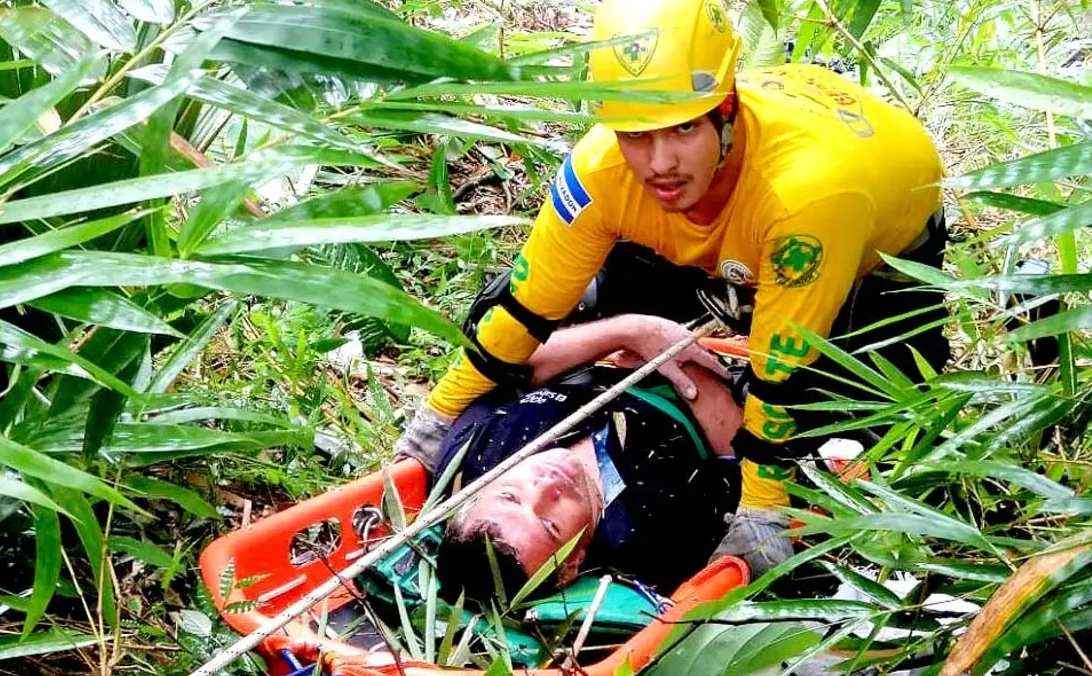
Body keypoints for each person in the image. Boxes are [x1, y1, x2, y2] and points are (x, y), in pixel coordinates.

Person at [399, 0, 946, 577]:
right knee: (500, 308)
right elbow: (521, 312)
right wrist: (434, 421)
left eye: (681, 127)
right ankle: (711, 270)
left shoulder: (809, 196)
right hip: (709, 233)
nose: (660, 163)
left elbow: (781, 374)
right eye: (636, 134)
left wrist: (763, 505)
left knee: (889, 418)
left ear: (725, 110)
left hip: (869, 238)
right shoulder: (603, 170)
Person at [434, 314, 744, 603]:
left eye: (510, 496)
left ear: (472, 500)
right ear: (572, 564)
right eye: (550, 524)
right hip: (711, 377)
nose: (545, 486)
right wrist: (683, 363)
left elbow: (505, 365)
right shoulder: (654, 541)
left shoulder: (471, 459)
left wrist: (630, 332)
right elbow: (738, 453)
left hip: (605, 324)